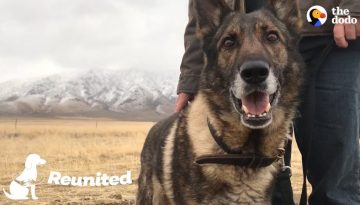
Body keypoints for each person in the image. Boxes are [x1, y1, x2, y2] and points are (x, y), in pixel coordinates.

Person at [175, 0, 360, 205]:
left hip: (329, 34)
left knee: (335, 175)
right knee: (269, 186)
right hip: (240, 28)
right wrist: (191, 76)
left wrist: (353, 8)